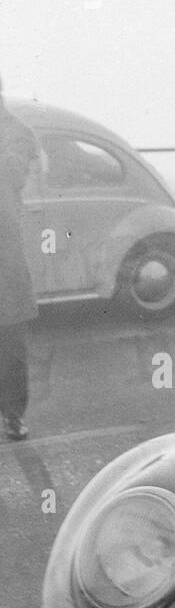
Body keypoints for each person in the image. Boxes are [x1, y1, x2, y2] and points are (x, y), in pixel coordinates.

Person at [0, 79, 39, 441]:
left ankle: (13, 415)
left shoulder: (17, 133)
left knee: (10, 345)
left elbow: (12, 172)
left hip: (4, 258)